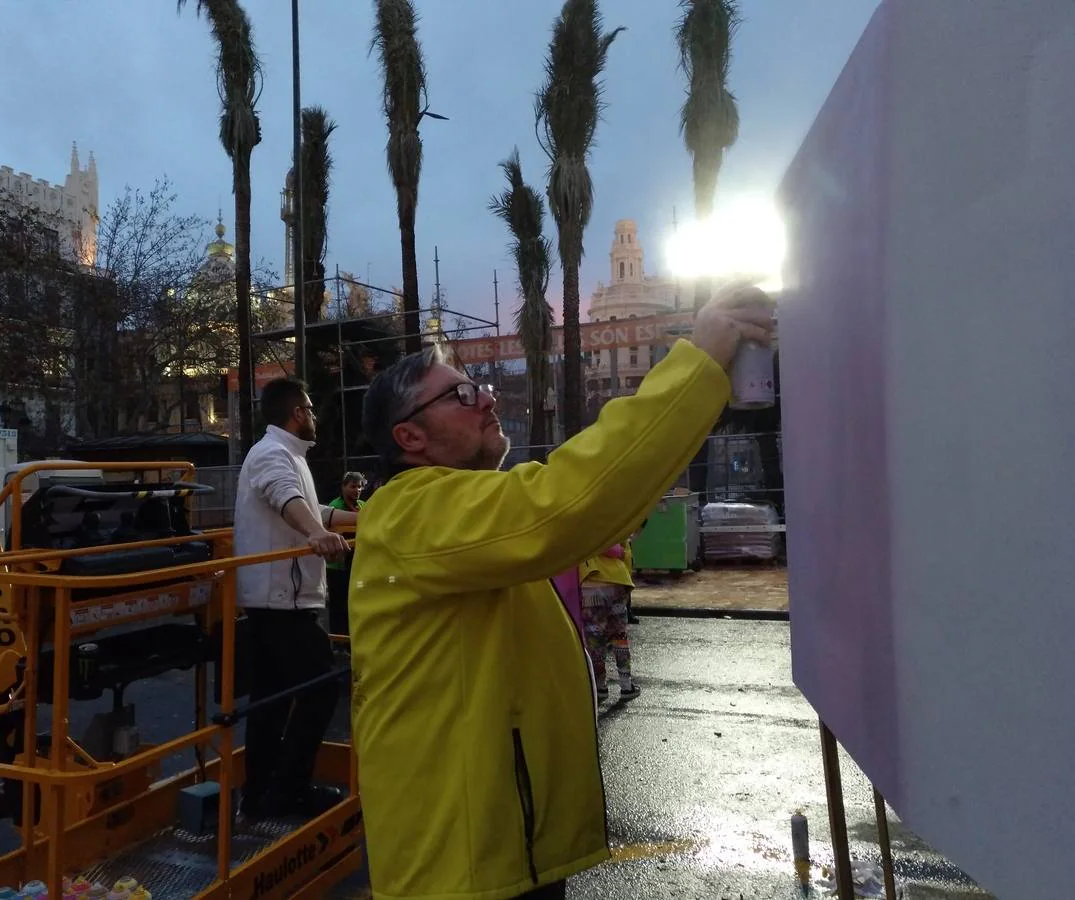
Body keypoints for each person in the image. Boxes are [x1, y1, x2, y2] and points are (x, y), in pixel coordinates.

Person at [352, 285, 774, 900]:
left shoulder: (452, 516)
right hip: (460, 869)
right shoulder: (412, 511)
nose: (488, 398)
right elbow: (568, 502)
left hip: (497, 850)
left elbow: (590, 502)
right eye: (461, 394)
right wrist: (698, 364)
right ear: (409, 438)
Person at [232, 376, 352, 821]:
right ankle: (288, 791)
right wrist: (318, 533)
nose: (315, 417)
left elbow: (310, 507)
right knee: (320, 689)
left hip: (276, 598)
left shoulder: (287, 456)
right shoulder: (272, 454)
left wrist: (358, 518)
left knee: (272, 698)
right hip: (281, 599)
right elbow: (287, 500)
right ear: (298, 412)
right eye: (311, 410)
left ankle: (259, 794)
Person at [579, 543, 638, 701]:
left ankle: (599, 687)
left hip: (590, 584)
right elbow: (621, 551)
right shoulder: (612, 523)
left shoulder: (580, 522)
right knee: (619, 636)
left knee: (595, 640)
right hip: (617, 582)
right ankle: (626, 685)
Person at [325, 471, 367, 637]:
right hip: (339, 565)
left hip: (358, 563)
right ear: (343, 487)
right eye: (353, 486)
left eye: (360, 486)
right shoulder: (335, 506)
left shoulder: (363, 506)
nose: (357, 490)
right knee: (338, 604)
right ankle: (338, 639)